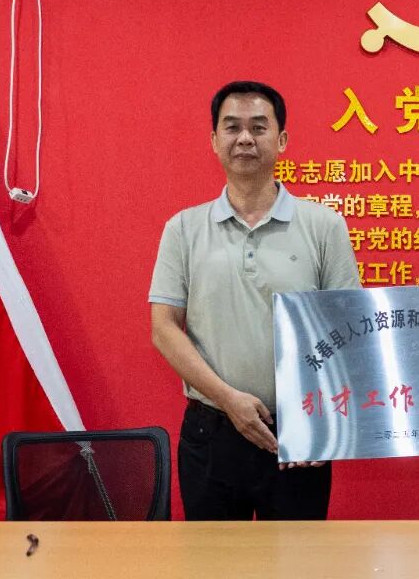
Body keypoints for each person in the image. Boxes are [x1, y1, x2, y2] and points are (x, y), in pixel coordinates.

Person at [149, 80, 360, 520]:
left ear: (281, 140)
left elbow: (348, 328)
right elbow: (164, 327)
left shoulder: (324, 226)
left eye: (259, 127)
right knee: (214, 557)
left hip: (298, 432)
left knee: (297, 556)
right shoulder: (183, 229)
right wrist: (228, 398)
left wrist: (322, 421)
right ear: (214, 140)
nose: (245, 138)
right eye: (232, 127)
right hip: (211, 429)